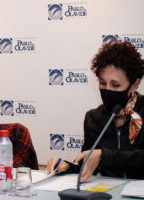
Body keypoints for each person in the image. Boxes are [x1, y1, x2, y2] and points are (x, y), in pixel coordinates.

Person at [47, 40, 144, 182]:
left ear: (134, 85)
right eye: (102, 83)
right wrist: (67, 167)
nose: (108, 90)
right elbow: (87, 166)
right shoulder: (93, 118)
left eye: (116, 85)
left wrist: (104, 156)